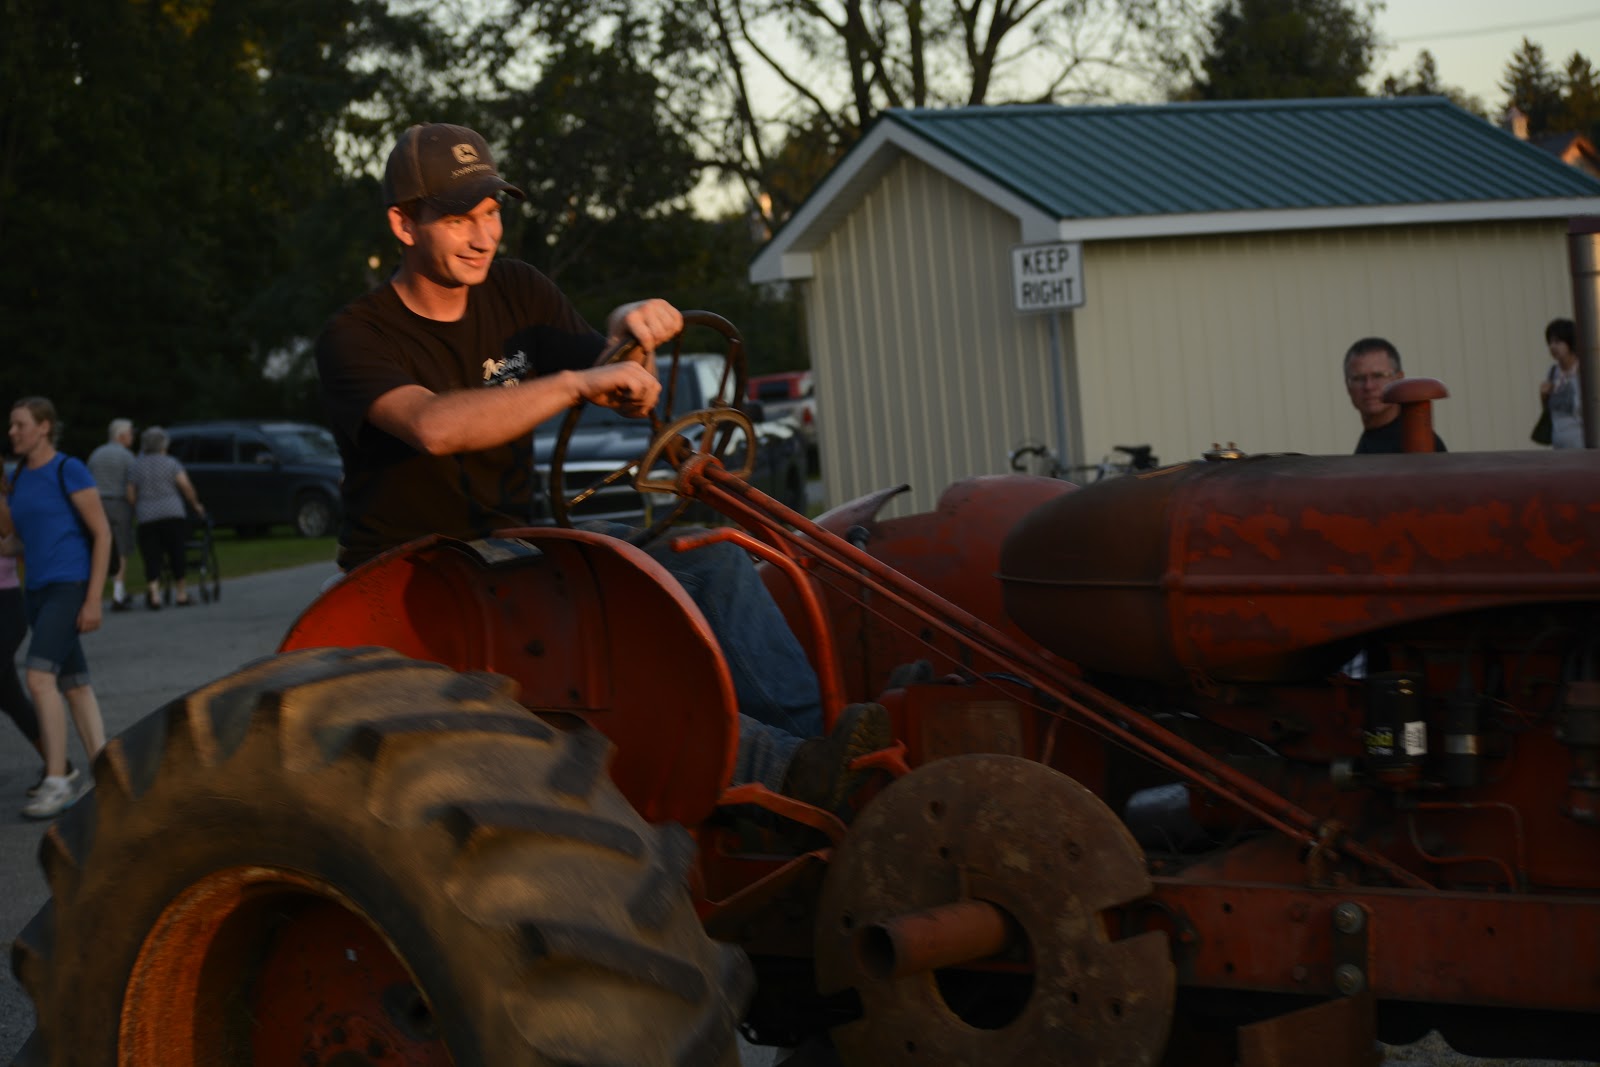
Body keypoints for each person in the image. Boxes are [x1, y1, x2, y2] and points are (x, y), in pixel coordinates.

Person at [315, 122, 886, 813]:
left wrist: (631, 327)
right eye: (458, 218)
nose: (482, 236)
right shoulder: (357, 336)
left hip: (516, 559)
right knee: (609, 665)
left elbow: (607, 374)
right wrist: (576, 385)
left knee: (715, 567)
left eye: (491, 213)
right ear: (405, 225)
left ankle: (825, 756)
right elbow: (433, 427)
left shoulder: (517, 291)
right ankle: (784, 766)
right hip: (418, 580)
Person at [4, 398, 110, 819]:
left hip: (70, 585)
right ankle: (108, 771)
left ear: (44, 427)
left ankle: (57, 779)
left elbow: (101, 534)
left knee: (38, 677)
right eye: (11, 425)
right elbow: (22, 541)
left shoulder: (70, 469)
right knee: (74, 685)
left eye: (19, 424)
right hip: (38, 592)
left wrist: (93, 598)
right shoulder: (18, 479)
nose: (12, 432)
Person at [0, 469, 47, 793]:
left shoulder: (4, 502)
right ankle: (60, 766)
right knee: (11, 698)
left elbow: (13, 538)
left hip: (5, 606)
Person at [127, 427, 206, 609]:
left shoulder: (136, 466)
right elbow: (186, 486)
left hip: (147, 517)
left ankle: (154, 594)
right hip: (172, 513)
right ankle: (181, 593)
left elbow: (130, 495)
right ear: (164, 444)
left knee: (151, 555)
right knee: (176, 551)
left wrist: (140, 506)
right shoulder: (171, 463)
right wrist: (196, 505)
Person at [1343, 337, 1447, 454]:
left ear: (1399, 379)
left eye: (1378, 375)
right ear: (1347, 386)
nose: (1369, 386)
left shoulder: (1417, 442)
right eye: (1358, 378)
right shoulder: (1369, 441)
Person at [88, 417, 137, 610]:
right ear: (122, 435)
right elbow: (131, 485)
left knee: (99, 548)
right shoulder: (126, 456)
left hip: (97, 504)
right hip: (118, 504)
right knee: (121, 548)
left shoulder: (96, 454)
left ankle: (96, 593)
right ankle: (118, 594)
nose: (132, 437)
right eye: (131, 433)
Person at [1541, 317, 1585, 450]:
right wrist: (1543, 395)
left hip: (1583, 443)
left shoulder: (1586, 370)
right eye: (1550, 342)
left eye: (1558, 341)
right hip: (1559, 443)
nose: (1553, 346)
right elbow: (1548, 411)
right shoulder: (1553, 372)